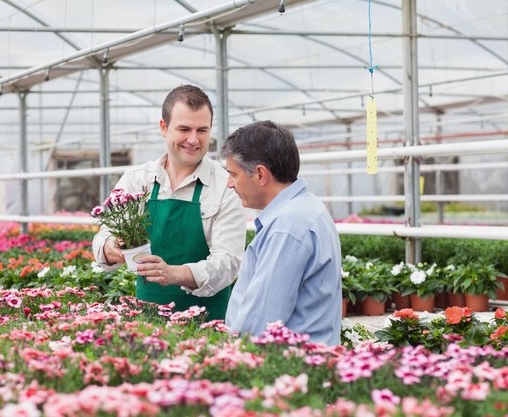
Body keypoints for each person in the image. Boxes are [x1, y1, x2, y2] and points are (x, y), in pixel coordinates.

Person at [92, 85, 245, 320]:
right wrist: (111, 248)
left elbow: (228, 263)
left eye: (202, 130)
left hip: (207, 323)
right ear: (163, 127)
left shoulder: (226, 185)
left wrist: (173, 274)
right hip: (145, 318)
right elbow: (103, 236)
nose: (193, 140)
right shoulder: (138, 179)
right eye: (184, 129)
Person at [221, 120, 342, 345]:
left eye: (233, 174)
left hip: (286, 366)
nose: (229, 184)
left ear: (260, 174)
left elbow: (260, 323)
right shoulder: (307, 208)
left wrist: (230, 357)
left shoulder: (287, 227)